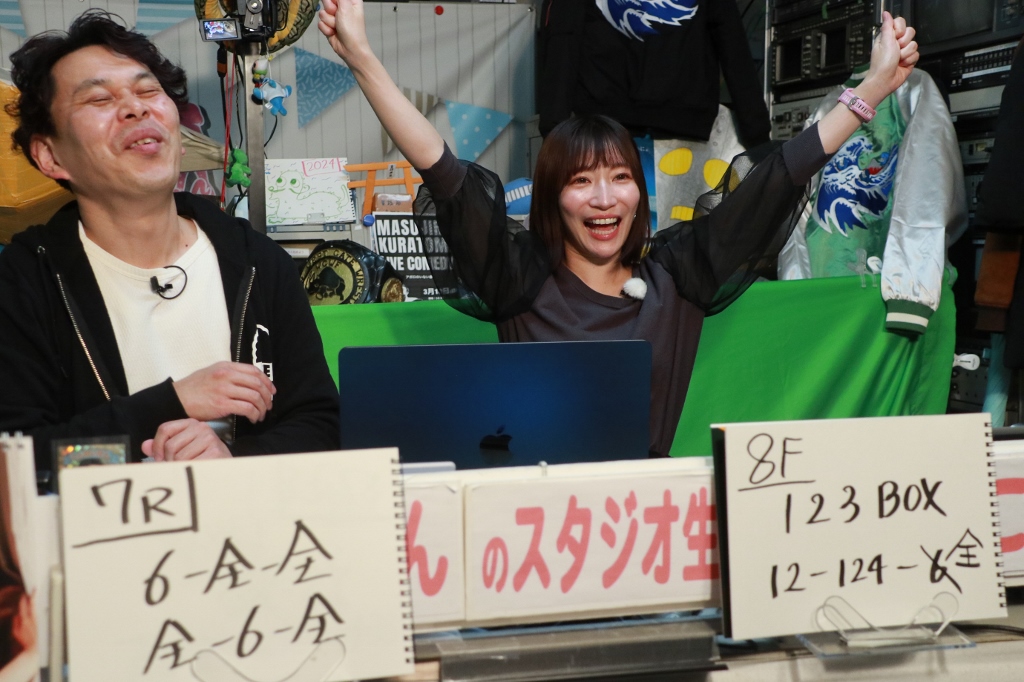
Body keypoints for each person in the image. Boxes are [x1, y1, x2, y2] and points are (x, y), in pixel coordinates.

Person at [321, 2, 918, 457]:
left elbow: (779, 178)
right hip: (534, 516)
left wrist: (871, 89)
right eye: (581, 181)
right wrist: (362, 59)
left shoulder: (679, 275)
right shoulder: (519, 276)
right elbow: (442, 170)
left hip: (642, 519)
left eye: (620, 178)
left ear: (639, 193)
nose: (604, 199)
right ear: (554, 198)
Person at [0, 10, 340, 480]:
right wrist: (170, 403)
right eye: (99, 98)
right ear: (51, 155)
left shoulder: (258, 263)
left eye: (148, 92)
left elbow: (321, 427)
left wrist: (235, 461)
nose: (136, 108)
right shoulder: (24, 283)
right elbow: (18, 461)